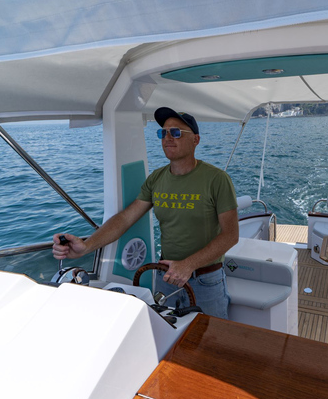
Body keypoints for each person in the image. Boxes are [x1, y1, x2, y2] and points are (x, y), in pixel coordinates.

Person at [53, 107, 238, 319]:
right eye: (163, 133)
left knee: (209, 342)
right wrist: (86, 246)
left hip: (206, 280)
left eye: (176, 133)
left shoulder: (217, 179)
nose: (167, 138)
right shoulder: (156, 179)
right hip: (165, 278)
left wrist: (188, 265)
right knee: (166, 339)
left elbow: (230, 235)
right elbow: (124, 219)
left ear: (195, 140)